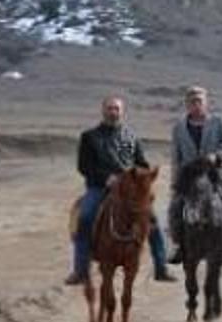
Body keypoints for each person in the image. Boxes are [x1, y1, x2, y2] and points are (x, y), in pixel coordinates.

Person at [66, 96, 174, 285]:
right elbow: (84, 166)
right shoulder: (89, 137)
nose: (113, 112)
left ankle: (161, 267)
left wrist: (138, 177)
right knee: (85, 218)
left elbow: (142, 163)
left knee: (153, 222)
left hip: (128, 191)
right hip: (100, 187)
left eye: (116, 109)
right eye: (110, 108)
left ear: (122, 112)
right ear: (103, 110)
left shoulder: (131, 137)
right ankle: (80, 270)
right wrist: (106, 178)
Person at [166, 86, 222, 265]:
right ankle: (179, 246)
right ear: (186, 104)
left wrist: (217, 156)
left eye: (199, 101)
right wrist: (175, 182)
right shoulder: (179, 127)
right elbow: (175, 156)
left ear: (206, 103)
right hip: (188, 176)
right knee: (174, 206)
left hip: (215, 173)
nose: (196, 105)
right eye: (192, 101)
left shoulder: (219, 121)